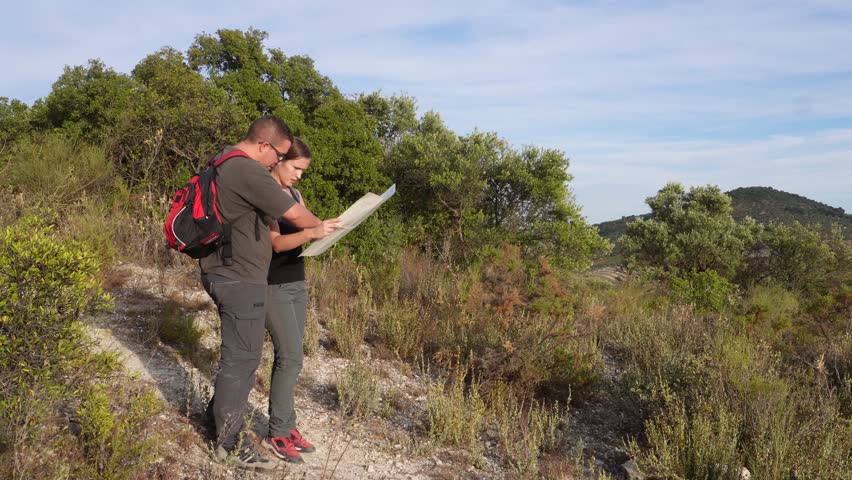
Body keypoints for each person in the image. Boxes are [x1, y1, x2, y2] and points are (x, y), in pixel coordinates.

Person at [200, 116, 321, 471]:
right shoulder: (246, 169)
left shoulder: (222, 162)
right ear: (266, 147)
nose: (276, 163)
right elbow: (295, 216)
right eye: (280, 155)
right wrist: (321, 227)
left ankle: (215, 421)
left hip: (230, 272)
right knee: (242, 361)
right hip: (240, 277)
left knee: (242, 359)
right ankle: (229, 444)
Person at [262, 138, 339, 463]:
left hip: (296, 281)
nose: (299, 176)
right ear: (279, 160)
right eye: (296, 168)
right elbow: (275, 243)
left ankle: (287, 425)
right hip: (271, 284)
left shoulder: (294, 194)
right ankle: (278, 432)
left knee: (295, 356)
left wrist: (326, 230)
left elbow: (309, 225)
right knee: (290, 356)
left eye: (303, 171)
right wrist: (310, 233)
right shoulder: (263, 193)